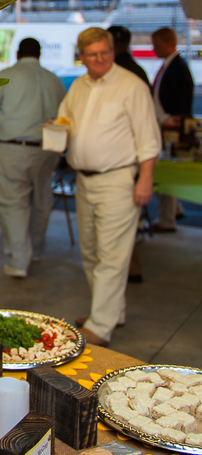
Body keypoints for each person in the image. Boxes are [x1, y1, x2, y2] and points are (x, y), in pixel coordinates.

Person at [58, 27, 161, 346]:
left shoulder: (132, 86)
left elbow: (148, 137)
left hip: (118, 180)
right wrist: (56, 131)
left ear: (112, 52)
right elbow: (64, 121)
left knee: (112, 255)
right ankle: (112, 311)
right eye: (93, 54)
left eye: (105, 52)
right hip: (85, 181)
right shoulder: (78, 86)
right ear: (82, 57)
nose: (100, 58)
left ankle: (101, 325)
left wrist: (145, 177)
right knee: (89, 250)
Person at [0, 37, 67, 278]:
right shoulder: (54, 80)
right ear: (39, 54)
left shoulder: (5, 76)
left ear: (17, 53)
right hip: (48, 148)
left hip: (12, 147)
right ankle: (36, 249)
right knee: (42, 199)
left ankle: (18, 260)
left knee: (12, 202)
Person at [151, 26, 195, 232]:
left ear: (169, 43)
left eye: (157, 45)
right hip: (165, 126)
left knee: (165, 172)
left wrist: (175, 125)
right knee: (163, 170)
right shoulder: (170, 66)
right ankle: (173, 209)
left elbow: (183, 104)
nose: (154, 49)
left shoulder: (178, 67)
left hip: (172, 129)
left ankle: (167, 218)